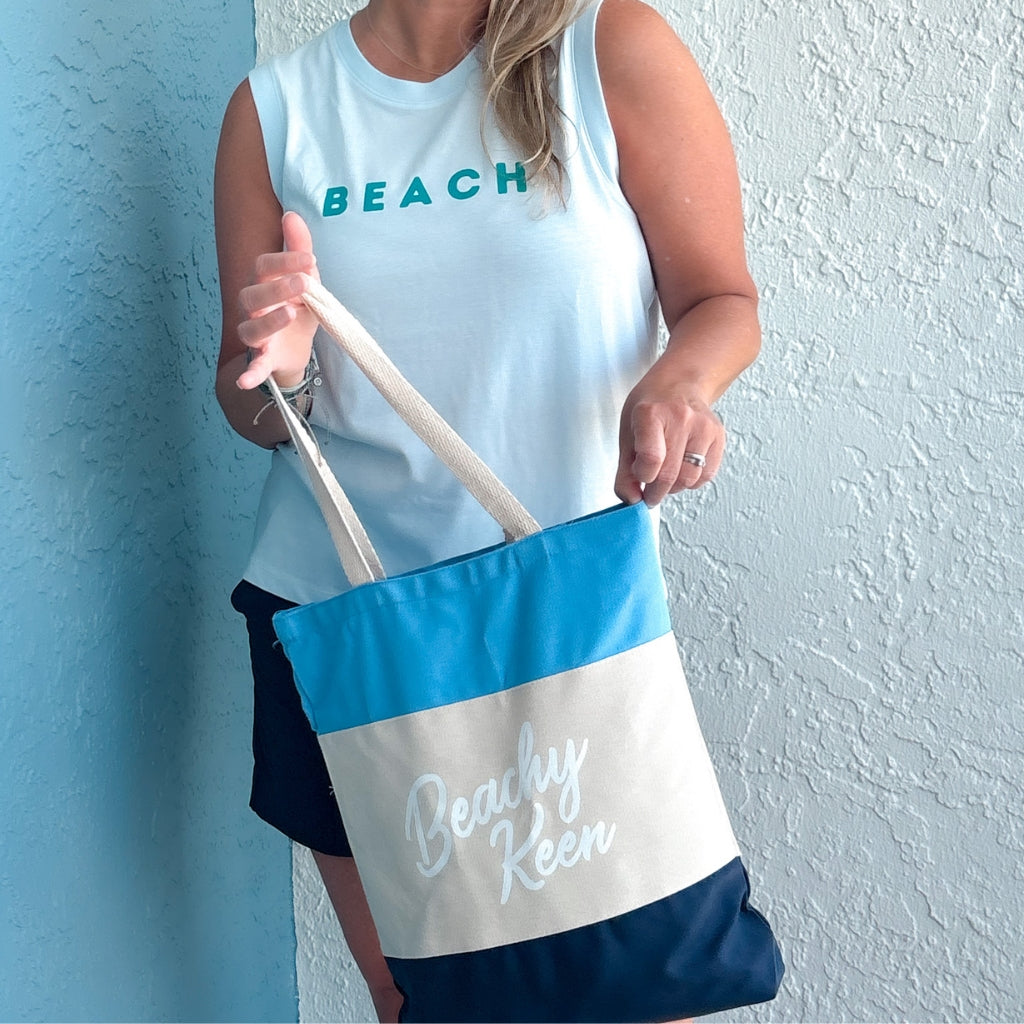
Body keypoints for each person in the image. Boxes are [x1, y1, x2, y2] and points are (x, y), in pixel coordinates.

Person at [214, 0, 760, 1019]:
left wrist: (676, 387)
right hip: (347, 627)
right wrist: (280, 374)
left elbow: (719, 299)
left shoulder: (605, 48)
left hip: (560, 623)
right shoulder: (274, 109)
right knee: (424, 1001)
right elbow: (248, 407)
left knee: (643, 992)